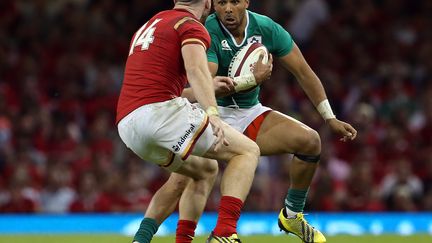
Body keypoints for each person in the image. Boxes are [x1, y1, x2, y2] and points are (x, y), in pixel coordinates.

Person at [199, 0, 358, 242]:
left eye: (234, 2)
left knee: (310, 141)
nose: (228, 9)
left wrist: (330, 117)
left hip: (248, 112)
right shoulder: (208, 29)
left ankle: (292, 215)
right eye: (221, 3)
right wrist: (251, 79)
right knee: (184, 180)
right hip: (211, 113)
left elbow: (304, 72)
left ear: (246, 2)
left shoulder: (266, 28)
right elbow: (205, 87)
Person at [116, 1, 260, 243]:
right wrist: (212, 113)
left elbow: (159, 88)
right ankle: (225, 233)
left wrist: (207, 88)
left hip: (128, 124)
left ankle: (142, 239)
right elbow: (196, 70)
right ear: (207, 3)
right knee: (246, 151)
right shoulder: (190, 25)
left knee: (204, 170)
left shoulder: (152, 24)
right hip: (159, 114)